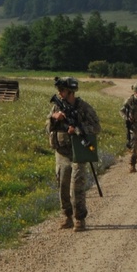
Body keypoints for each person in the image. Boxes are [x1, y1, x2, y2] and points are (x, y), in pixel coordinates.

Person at [47, 76, 101, 231]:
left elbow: (97, 127)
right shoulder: (56, 107)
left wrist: (78, 129)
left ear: (70, 91)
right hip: (62, 151)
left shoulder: (84, 107)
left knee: (77, 186)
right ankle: (67, 217)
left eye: (62, 90)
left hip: (79, 151)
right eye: (59, 90)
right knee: (63, 185)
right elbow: (47, 128)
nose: (59, 93)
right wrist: (53, 119)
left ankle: (80, 219)